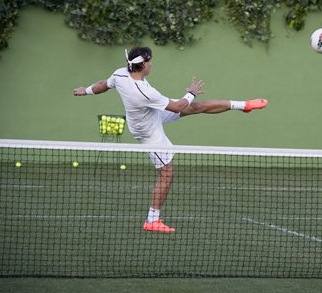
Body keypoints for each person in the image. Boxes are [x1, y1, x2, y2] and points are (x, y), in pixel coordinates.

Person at [74, 46, 267, 232]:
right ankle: (152, 220)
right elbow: (176, 107)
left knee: (196, 107)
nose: (152, 64)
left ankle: (243, 105)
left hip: (150, 114)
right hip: (146, 130)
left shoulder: (120, 73)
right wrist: (190, 93)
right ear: (143, 64)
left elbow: (102, 85)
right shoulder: (144, 92)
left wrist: (86, 90)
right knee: (167, 174)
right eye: (150, 61)